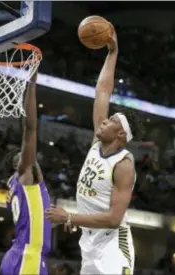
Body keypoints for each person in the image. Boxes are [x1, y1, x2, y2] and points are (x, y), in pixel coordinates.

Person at [46, 27, 145, 275]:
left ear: (121, 134)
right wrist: (112, 52)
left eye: (111, 120)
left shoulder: (124, 165)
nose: (104, 120)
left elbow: (113, 218)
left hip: (113, 242)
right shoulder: (96, 143)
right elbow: (102, 91)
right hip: (88, 242)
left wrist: (69, 217)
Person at [0, 69, 51, 275]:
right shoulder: (24, 173)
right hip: (26, 258)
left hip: (22, 256)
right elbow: (30, 129)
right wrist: (31, 85)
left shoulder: (19, 186)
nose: (28, 155)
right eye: (23, 155)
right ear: (17, 165)